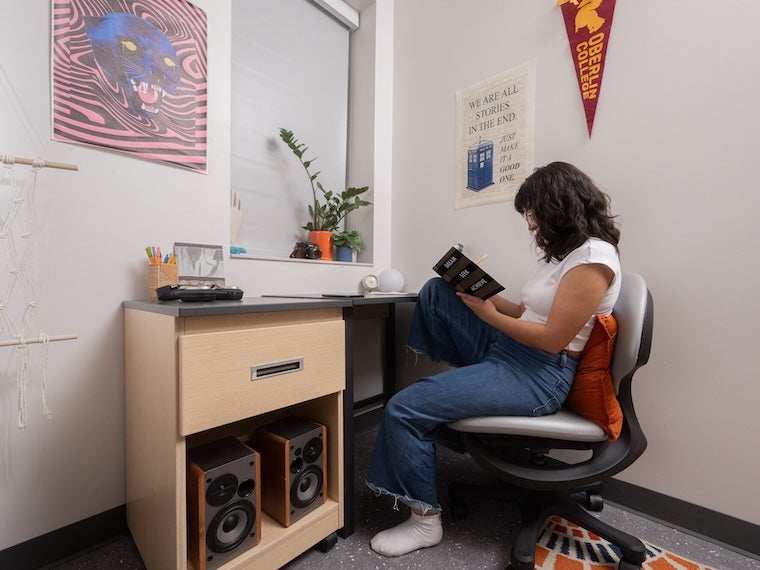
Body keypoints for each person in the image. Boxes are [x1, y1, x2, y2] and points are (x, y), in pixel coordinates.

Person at [365, 161, 622, 557]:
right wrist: (480, 295)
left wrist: (489, 317)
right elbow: (526, 314)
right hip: (513, 353)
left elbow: (553, 340)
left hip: (539, 374)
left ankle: (423, 522)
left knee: (403, 407)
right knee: (438, 291)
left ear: (558, 205)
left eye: (533, 214)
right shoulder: (565, 256)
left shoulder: (594, 258)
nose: (532, 225)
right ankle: (467, 387)